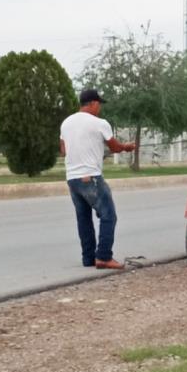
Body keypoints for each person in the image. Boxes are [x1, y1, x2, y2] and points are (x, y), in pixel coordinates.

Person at [60, 89, 135, 270]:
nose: (99, 108)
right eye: (99, 104)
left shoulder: (66, 123)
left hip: (72, 178)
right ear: (93, 103)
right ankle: (103, 257)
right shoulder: (100, 123)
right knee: (109, 215)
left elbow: (64, 150)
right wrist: (127, 146)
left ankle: (88, 258)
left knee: (83, 218)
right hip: (90, 177)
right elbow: (115, 147)